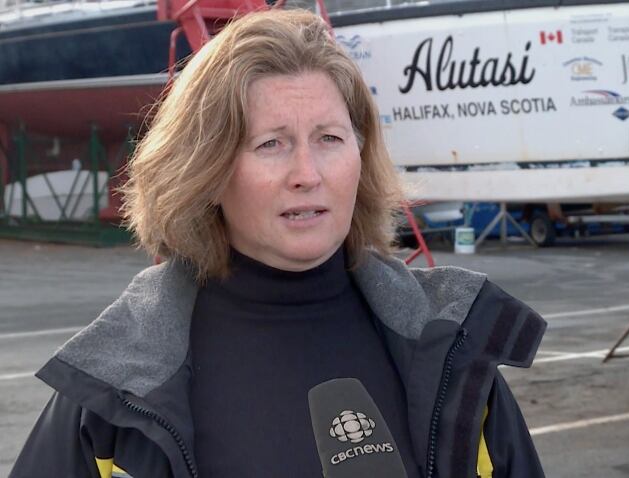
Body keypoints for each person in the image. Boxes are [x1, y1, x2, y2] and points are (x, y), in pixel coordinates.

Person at [10, 8, 546, 478]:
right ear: (208, 170)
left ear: (361, 158)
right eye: (271, 144)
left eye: (329, 139)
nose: (307, 173)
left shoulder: (453, 351)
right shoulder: (116, 383)